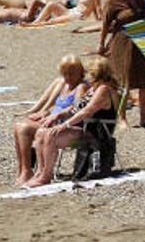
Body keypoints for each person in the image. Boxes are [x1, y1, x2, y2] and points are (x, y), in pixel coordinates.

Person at [26, 57, 120, 186]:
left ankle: (45, 176)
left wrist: (65, 125)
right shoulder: (94, 88)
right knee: (40, 132)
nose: (86, 76)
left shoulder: (103, 90)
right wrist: (58, 114)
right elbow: (76, 106)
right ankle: (40, 172)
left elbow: (87, 111)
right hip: (84, 128)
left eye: (89, 73)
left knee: (50, 135)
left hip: (94, 134)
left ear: (95, 74)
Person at [13, 55, 88, 185]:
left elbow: (77, 106)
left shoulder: (81, 86)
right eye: (65, 74)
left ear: (80, 72)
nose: (68, 77)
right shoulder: (65, 85)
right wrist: (46, 112)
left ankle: (33, 172)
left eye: (72, 73)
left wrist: (56, 116)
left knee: (30, 129)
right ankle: (24, 169)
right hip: (51, 121)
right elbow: (58, 105)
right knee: (19, 126)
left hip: (66, 124)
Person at [98, 0, 145, 127]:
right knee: (122, 81)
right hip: (122, 42)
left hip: (144, 38)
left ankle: (144, 117)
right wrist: (101, 44)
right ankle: (122, 118)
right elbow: (104, 24)